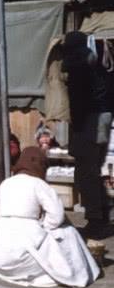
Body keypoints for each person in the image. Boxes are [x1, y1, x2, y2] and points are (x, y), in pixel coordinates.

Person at [0, 147, 101, 288]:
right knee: (68, 232)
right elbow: (57, 217)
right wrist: (44, 226)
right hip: (22, 258)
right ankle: (80, 270)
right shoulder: (38, 184)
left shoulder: (5, 183)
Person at [61, 31, 114, 236]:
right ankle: (100, 215)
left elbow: (79, 101)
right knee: (91, 169)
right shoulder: (93, 62)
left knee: (86, 171)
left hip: (91, 120)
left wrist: (78, 129)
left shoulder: (79, 64)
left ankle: (96, 221)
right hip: (100, 118)